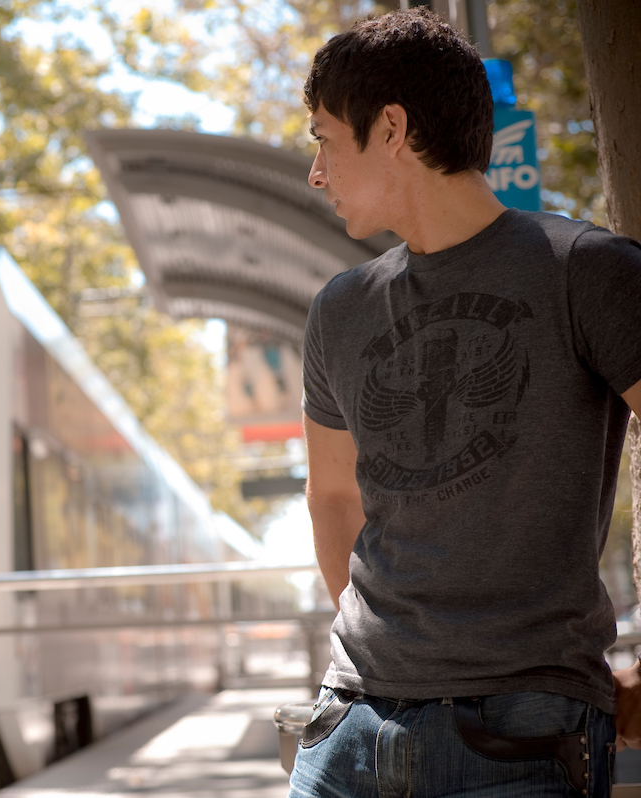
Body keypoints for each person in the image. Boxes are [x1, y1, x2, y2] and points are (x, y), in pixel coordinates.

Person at [293, 8, 641, 797]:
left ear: (390, 129)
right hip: (347, 726)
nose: (315, 172)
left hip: (522, 732)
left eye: (322, 138)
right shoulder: (339, 309)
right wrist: (391, 654)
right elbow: (334, 494)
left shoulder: (588, 271)